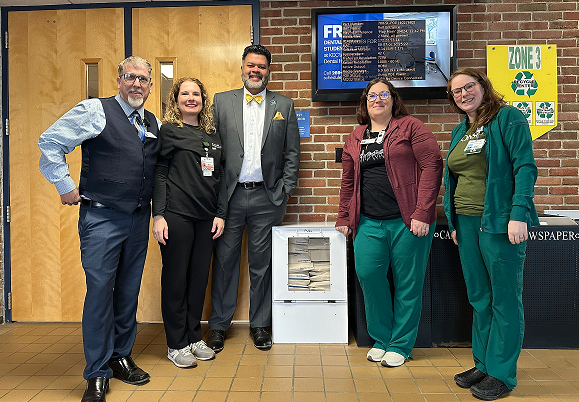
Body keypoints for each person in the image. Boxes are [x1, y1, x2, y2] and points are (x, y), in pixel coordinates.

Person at [38, 56, 160, 402]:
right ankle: (96, 373)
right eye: (130, 77)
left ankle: (121, 357)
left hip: (138, 218)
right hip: (102, 219)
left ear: (151, 85)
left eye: (144, 80)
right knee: (99, 294)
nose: (137, 84)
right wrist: (64, 185)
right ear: (119, 80)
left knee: (127, 293)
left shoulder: (153, 122)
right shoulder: (95, 110)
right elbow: (50, 143)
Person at [444, 68, 538, 401]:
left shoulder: (508, 118)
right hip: (466, 224)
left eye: (468, 86)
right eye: (456, 92)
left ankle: (501, 372)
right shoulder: (460, 131)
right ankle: (483, 363)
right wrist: (453, 223)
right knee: (479, 298)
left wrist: (519, 214)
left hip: (499, 221)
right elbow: (452, 180)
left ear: (483, 86)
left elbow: (524, 167)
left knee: (504, 299)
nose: (463, 94)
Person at [336, 78, 442, 368]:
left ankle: (401, 344)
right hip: (368, 222)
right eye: (373, 95)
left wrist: (422, 212)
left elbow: (432, 166)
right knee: (369, 276)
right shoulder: (355, 136)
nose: (378, 99)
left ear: (394, 100)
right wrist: (344, 216)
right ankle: (382, 338)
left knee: (408, 283)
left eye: (384, 94)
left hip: (408, 221)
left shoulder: (411, 127)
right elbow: (348, 181)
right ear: (365, 102)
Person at [206, 44, 300, 352]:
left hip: (267, 197)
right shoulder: (221, 102)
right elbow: (211, 149)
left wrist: (285, 187)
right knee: (224, 262)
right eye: (250, 65)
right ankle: (219, 325)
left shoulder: (283, 105)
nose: (255, 70)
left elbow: (292, 152)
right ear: (242, 68)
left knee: (262, 265)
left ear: (268, 70)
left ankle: (260, 325)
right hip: (228, 198)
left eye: (261, 66)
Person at [152, 77, 226, 368]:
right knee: (175, 280)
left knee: (198, 281)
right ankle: (176, 344)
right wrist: (158, 215)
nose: (191, 98)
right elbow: (159, 174)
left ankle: (194, 337)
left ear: (203, 99)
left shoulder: (213, 134)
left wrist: (220, 213)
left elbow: (219, 177)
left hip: (206, 218)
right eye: (185, 93)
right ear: (176, 98)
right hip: (176, 216)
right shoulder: (169, 131)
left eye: (196, 93)